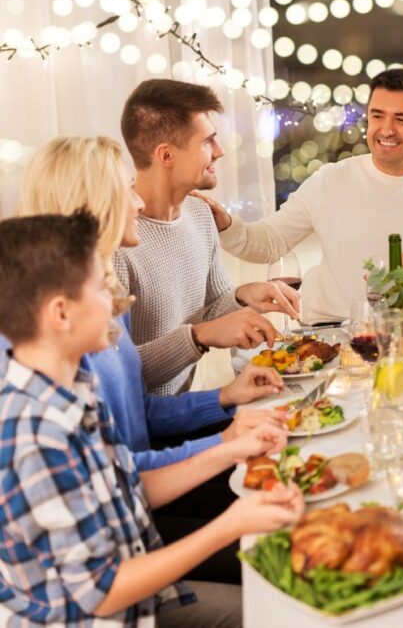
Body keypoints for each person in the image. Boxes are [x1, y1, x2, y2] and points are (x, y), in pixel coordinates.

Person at [0, 211, 304, 626]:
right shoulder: (33, 432)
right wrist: (232, 524)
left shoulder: (69, 391)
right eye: (100, 288)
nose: (118, 301)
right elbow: (103, 593)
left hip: (140, 589)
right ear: (61, 314)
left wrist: (230, 447)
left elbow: (129, 480)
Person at [13, 136, 287, 471]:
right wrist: (225, 444)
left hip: (145, 473)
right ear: (91, 206)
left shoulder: (106, 298)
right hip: (140, 487)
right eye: (125, 190)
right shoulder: (63, 326)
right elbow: (120, 475)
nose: (139, 203)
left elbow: (141, 412)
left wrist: (226, 396)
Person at [194, 68, 403, 323]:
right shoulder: (330, 179)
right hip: (327, 331)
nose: (386, 129)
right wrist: (226, 225)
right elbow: (269, 243)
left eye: (402, 119)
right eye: (377, 116)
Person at [116, 79, 302, 395]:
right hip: (146, 427)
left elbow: (213, 309)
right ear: (166, 155)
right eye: (207, 142)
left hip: (186, 408)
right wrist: (199, 336)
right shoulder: (117, 238)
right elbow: (118, 376)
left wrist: (244, 295)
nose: (220, 151)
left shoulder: (201, 215)